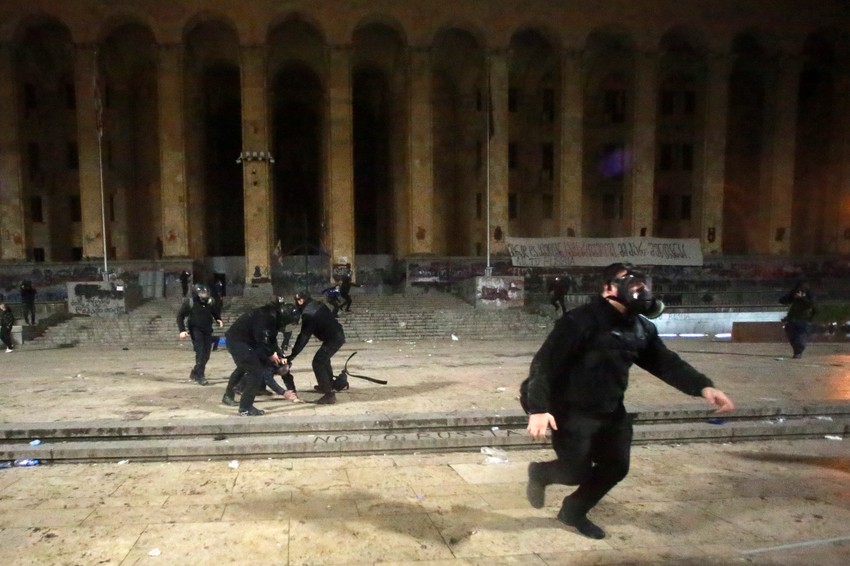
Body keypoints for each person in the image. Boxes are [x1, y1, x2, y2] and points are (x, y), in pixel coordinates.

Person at [520, 262, 735, 540]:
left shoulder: (641, 328)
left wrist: (703, 387)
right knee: (576, 471)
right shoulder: (579, 322)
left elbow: (665, 363)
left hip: (611, 412)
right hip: (571, 412)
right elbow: (544, 365)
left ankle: (573, 510)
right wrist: (538, 409)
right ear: (608, 288)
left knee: (617, 467)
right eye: (629, 283)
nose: (639, 289)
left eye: (641, 284)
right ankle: (539, 473)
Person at [221, 298, 301, 415]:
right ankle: (245, 408)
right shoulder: (266, 317)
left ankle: (228, 396)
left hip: (245, 341)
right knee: (255, 371)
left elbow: (271, 340)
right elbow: (261, 339)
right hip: (238, 341)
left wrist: (278, 354)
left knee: (244, 367)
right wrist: (270, 354)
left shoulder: (272, 318)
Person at [285, 290, 347, 404]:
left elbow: (303, 337)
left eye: (297, 301)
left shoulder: (308, 313)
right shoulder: (317, 304)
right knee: (324, 359)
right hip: (336, 335)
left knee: (318, 362)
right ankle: (328, 385)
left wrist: (293, 355)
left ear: (301, 300)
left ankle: (329, 395)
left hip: (333, 339)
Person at [177, 284, 223, 386]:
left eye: (206, 293)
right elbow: (180, 316)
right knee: (200, 352)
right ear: (196, 293)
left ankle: (195, 371)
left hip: (207, 330)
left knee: (206, 355)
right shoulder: (190, 302)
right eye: (202, 293)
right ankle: (200, 376)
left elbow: (215, 312)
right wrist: (182, 330)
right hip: (195, 330)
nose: (204, 295)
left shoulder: (210, 302)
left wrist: (218, 319)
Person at [779, 281, 816, 359]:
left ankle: (798, 353)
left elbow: (811, 305)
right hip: (792, 320)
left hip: (803, 320)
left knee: (801, 337)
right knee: (792, 337)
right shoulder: (794, 296)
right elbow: (782, 301)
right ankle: (797, 352)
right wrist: (792, 295)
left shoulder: (809, 296)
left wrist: (802, 298)